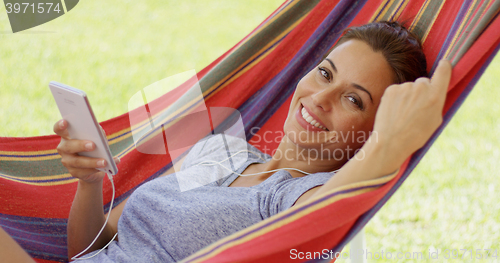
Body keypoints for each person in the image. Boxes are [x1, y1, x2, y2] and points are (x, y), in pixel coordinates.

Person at [0, 21, 452, 262]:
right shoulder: (222, 152)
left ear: (372, 133)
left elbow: (330, 209)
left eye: (353, 99)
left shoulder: (298, 200)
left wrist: (394, 143)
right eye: (324, 73)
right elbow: (90, 250)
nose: (320, 98)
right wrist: (89, 182)